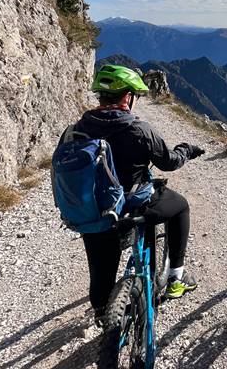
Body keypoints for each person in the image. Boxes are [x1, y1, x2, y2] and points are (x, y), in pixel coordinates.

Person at [67, 64, 205, 325]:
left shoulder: (77, 129)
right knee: (181, 206)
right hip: (134, 205)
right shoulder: (139, 129)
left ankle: (102, 312)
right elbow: (169, 162)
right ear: (128, 97)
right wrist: (187, 149)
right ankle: (176, 276)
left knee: (100, 268)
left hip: (93, 210)